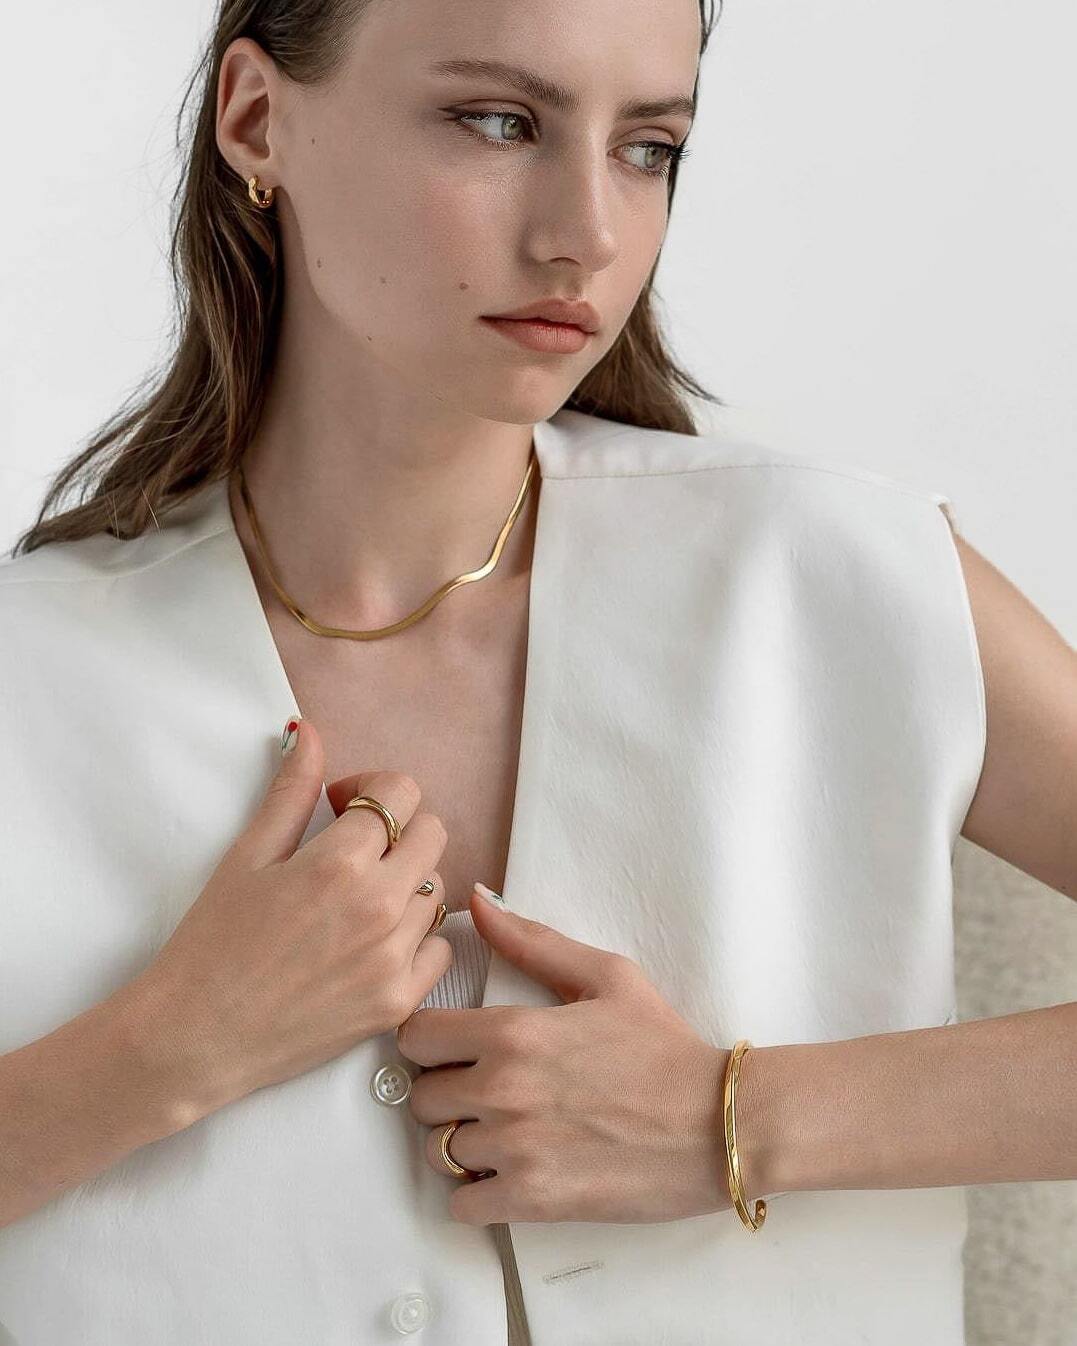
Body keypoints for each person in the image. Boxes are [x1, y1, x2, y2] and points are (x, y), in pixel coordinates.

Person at [2, 1, 1074, 1343]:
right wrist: (169, 1047)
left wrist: (735, 1116)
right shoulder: (30, 672)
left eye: (648, 148)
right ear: (257, 121)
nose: (588, 233)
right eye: (499, 122)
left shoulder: (836, 577)